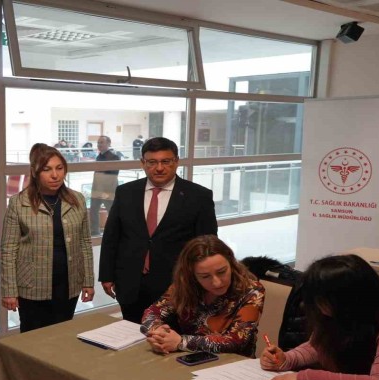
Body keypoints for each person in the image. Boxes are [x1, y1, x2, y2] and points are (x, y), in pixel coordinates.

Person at [99, 137, 218, 324]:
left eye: (166, 161)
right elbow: (111, 237)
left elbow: (207, 245)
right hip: (130, 283)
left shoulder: (198, 196)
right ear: (143, 163)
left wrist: (203, 283)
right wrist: (106, 275)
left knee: (168, 337)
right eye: (152, 162)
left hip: (176, 286)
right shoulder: (125, 192)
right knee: (131, 333)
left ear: (176, 161)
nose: (159, 168)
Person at [0, 144, 95, 332]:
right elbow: (9, 250)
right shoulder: (19, 203)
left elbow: (85, 243)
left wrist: (88, 281)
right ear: (35, 172)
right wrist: (9, 290)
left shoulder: (77, 200)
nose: (55, 175)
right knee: (32, 338)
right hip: (32, 285)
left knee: (61, 334)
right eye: (47, 169)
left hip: (68, 284)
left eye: (59, 168)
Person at [141, 235, 265, 357]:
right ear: (192, 275)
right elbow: (152, 312)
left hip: (233, 363)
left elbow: (235, 342)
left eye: (222, 272)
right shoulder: (184, 286)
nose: (217, 282)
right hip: (187, 358)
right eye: (205, 276)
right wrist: (158, 333)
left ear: (232, 265)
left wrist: (180, 342)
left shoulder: (251, 291)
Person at [89, 135, 121, 235]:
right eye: (98, 142)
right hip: (97, 188)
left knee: (111, 211)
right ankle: (95, 231)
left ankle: (113, 233)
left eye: (101, 142)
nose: (99, 144)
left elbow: (114, 174)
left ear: (108, 144)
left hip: (108, 190)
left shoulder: (114, 157)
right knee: (93, 210)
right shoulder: (98, 157)